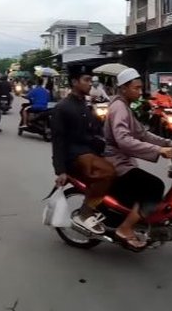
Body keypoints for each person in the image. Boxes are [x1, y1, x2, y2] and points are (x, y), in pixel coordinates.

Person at [104, 68, 172, 251]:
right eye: (136, 88)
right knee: (155, 186)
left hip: (123, 160)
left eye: (141, 88)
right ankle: (124, 229)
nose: (140, 92)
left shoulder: (125, 107)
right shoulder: (119, 108)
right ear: (124, 88)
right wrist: (159, 149)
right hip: (116, 162)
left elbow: (142, 134)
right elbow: (124, 140)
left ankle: (135, 221)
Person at [52, 66, 117, 235]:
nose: (90, 84)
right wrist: (60, 170)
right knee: (109, 171)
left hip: (89, 152)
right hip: (75, 156)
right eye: (86, 80)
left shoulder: (86, 105)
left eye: (91, 80)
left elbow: (97, 131)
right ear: (74, 82)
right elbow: (57, 141)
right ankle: (85, 213)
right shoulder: (62, 107)